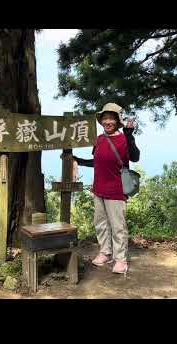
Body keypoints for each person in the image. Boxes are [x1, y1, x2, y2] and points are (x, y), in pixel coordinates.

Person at [73, 103, 140, 275]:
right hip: (99, 189)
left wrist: (130, 136)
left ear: (118, 121)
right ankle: (105, 252)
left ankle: (120, 260)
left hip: (116, 191)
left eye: (111, 118)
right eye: (104, 118)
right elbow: (96, 161)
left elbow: (135, 157)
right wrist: (78, 160)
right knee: (100, 223)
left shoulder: (124, 138)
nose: (107, 121)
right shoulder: (100, 139)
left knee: (118, 226)